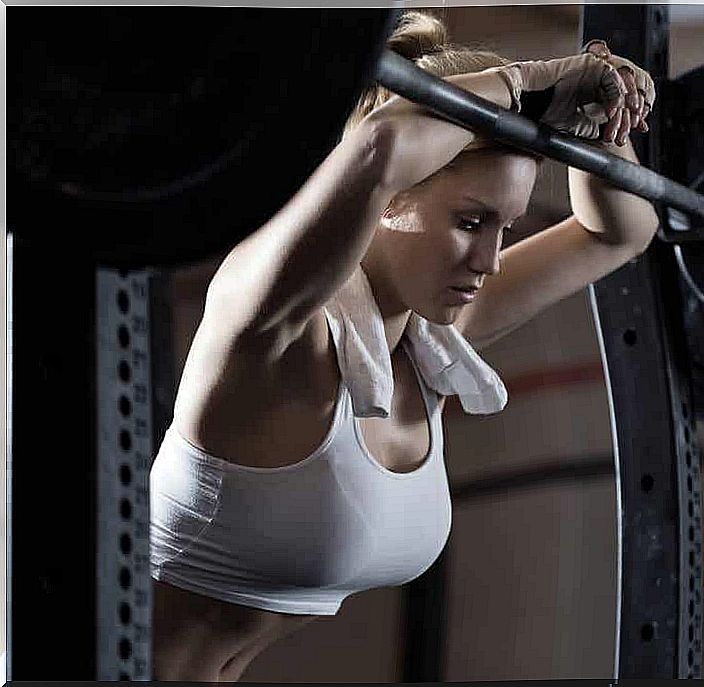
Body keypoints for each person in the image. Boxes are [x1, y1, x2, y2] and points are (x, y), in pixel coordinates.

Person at [150, 11, 657, 682]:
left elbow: (619, 232)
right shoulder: (271, 326)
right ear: (386, 202)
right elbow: (377, 150)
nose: (491, 259)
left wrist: (599, 125)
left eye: (503, 226)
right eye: (470, 222)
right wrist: (528, 83)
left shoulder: (432, 344)